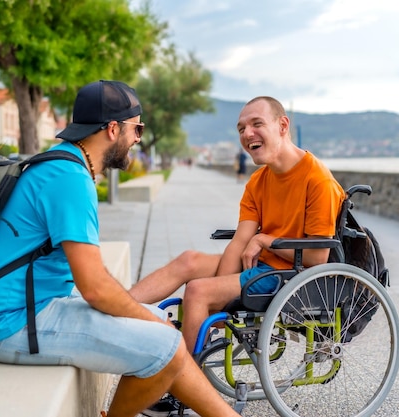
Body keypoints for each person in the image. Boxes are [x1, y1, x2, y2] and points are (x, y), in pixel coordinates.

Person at [0, 80, 240, 417]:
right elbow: (94, 289)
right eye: (136, 129)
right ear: (113, 129)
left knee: (157, 321)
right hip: (9, 324)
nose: (138, 139)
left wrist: (149, 319)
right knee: (165, 342)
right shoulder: (69, 179)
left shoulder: (60, 164)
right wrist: (154, 326)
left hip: (25, 309)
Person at [129, 95, 345, 353]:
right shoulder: (258, 181)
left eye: (257, 124)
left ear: (283, 126)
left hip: (289, 275)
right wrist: (222, 289)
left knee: (197, 290)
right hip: (259, 264)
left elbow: (317, 258)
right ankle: (114, 305)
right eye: (241, 129)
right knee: (189, 261)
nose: (247, 134)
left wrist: (265, 241)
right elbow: (241, 240)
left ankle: (184, 380)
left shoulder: (318, 180)